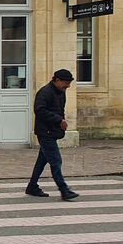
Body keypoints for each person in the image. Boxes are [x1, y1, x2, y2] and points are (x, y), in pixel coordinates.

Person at [26, 69, 79, 200]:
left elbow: (60, 110)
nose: (68, 86)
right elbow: (39, 110)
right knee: (56, 161)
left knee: (42, 161)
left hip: (51, 131)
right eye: (66, 83)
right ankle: (64, 189)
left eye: (69, 83)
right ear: (57, 80)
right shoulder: (45, 92)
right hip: (45, 132)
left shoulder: (60, 92)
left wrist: (60, 122)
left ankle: (32, 186)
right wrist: (58, 120)